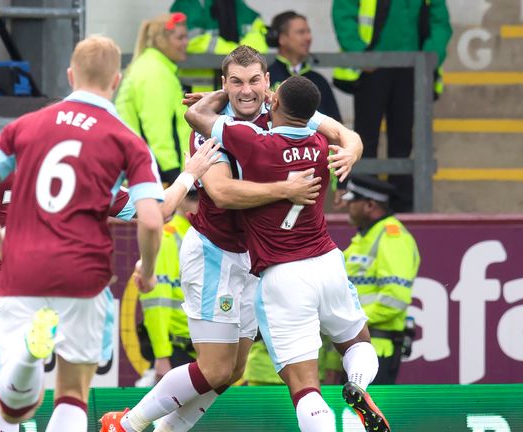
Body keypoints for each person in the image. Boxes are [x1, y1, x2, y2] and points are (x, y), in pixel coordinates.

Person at [100, 46, 367, 432]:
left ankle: (158, 430)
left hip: (255, 262)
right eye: (236, 83)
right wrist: (285, 189)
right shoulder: (210, 128)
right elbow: (223, 192)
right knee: (215, 368)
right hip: (215, 256)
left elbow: (342, 132)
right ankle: (127, 424)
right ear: (224, 86)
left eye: (254, 80)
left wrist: (353, 149)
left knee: (231, 371)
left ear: (268, 84)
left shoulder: (282, 112)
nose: (246, 90)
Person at [0, 142, 221, 432]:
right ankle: (27, 362)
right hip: (35, 302)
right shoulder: (92, 179)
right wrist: (188, 174)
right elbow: (160, 211)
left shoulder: (10, 161)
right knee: (31, 395)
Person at [0, 34, 168, 431]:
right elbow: (152, 219)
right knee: (72, 393)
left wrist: (1, 241)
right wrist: (149, 270)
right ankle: (29, 362)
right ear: (117, 80)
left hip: (23, 270)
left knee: (13, 409)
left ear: (70, 75)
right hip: (83, 274)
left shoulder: (25, 125)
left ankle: (25, 360)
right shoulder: (128, 141)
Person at [183, 76, 391, 432]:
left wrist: (227, 95)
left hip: (283, 275)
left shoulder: (254, 143)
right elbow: (344, 134)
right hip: (327, 261)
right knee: (357, 342)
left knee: (304, 386)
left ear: (274, 102)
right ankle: (357, 382)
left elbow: (196, 116)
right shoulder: (321, 144)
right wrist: (352, 145)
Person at [332, 0, 452, 212]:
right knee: (365, 140)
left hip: (412, 68)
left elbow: (440, 22)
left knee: (403, 142)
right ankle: (365, 202)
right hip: (372, 68)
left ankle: (401, 206)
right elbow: (344, 11)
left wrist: (429, 57)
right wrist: (360, 55)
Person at [341, 175, 420, 384]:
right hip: (355, 346)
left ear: (369, 204)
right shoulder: (363, 237)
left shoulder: (393, 237)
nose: (346, 205)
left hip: (376, 348)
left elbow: (395, 299)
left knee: (367, 415)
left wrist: (351, 322)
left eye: (352, 200)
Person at [115, 12, 191, 186]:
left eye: (186, 37)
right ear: (161, 40)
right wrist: (173, 177)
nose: (186, 42)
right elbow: (158, 131)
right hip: (156, 175)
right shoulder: (154, 73)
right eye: (180, 38)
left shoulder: (153, 67)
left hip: (146, 171)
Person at [137, 190, 200, 386]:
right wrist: (162, 356)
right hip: (177, 352)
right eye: (191, 196)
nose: (197, 202)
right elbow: (156, 303)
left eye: (202, 196)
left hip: (205, 349)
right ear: (179, 199)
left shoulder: (209, 236)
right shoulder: (166, 237)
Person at [266, 11, 341, 122]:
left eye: (308, 32)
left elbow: (337, 126)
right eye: (301, 32)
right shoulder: (266, 77)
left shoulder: (319, 81)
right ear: (282, 38)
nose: (308, 37)